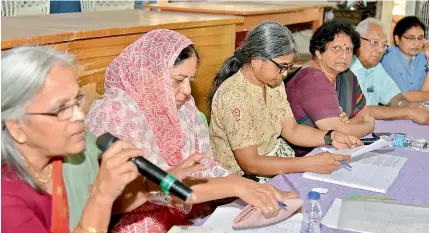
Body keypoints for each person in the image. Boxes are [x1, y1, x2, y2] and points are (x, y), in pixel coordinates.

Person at [85, 29, 296, 233]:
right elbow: (146, 191)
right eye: (178, 80)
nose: (187, 91)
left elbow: (207, 166)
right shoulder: (117, 113)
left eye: (190, 81)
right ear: (149, 75)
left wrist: (245, 185)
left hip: (186, 209)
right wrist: (236, 186)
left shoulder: (184, 107)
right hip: (138, 219)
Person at [1, 46, 147, 233]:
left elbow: (122, 197)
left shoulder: (71, 152)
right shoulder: (6, 201)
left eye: (77, 100)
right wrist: (101, 195)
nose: (79, 115)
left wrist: (166, 182)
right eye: (61, 108)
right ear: (16, 127)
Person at [208, 21, 362, 183]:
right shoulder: (234, 95)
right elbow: (250, 164)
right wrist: (308, 163)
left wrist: (331, 136)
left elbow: (292, 130)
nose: (285, 73)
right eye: (281, 66)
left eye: (288, 66)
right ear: (256, 60)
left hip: (271, 161)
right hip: (239, 180)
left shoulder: (274, 82)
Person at [284, 19, 375, 156]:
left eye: (348, 49)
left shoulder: (347, 76)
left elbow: (364, 114)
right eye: (336, 48)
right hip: (303, 156)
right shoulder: (312, 79)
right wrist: (370, 125)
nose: (344, 56)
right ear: (319, 52)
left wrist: (348, 123)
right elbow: (340, 132)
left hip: (333, 150)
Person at [350, 18, 429, 125]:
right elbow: (362, 110)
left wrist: (406, 104)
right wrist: (408, 112)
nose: (380, 50)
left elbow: (393, 96)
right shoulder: (346, 68)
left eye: (384, 45)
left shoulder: (376, 67)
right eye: (374, 42)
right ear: (356, 40)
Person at [381, 16, 429, 101]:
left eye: (420, 38)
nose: (416, 43)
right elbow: (401, 96)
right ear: (397, 39)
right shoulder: (389, 57)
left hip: (417, 110)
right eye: (411, 38)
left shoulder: (423, 57)